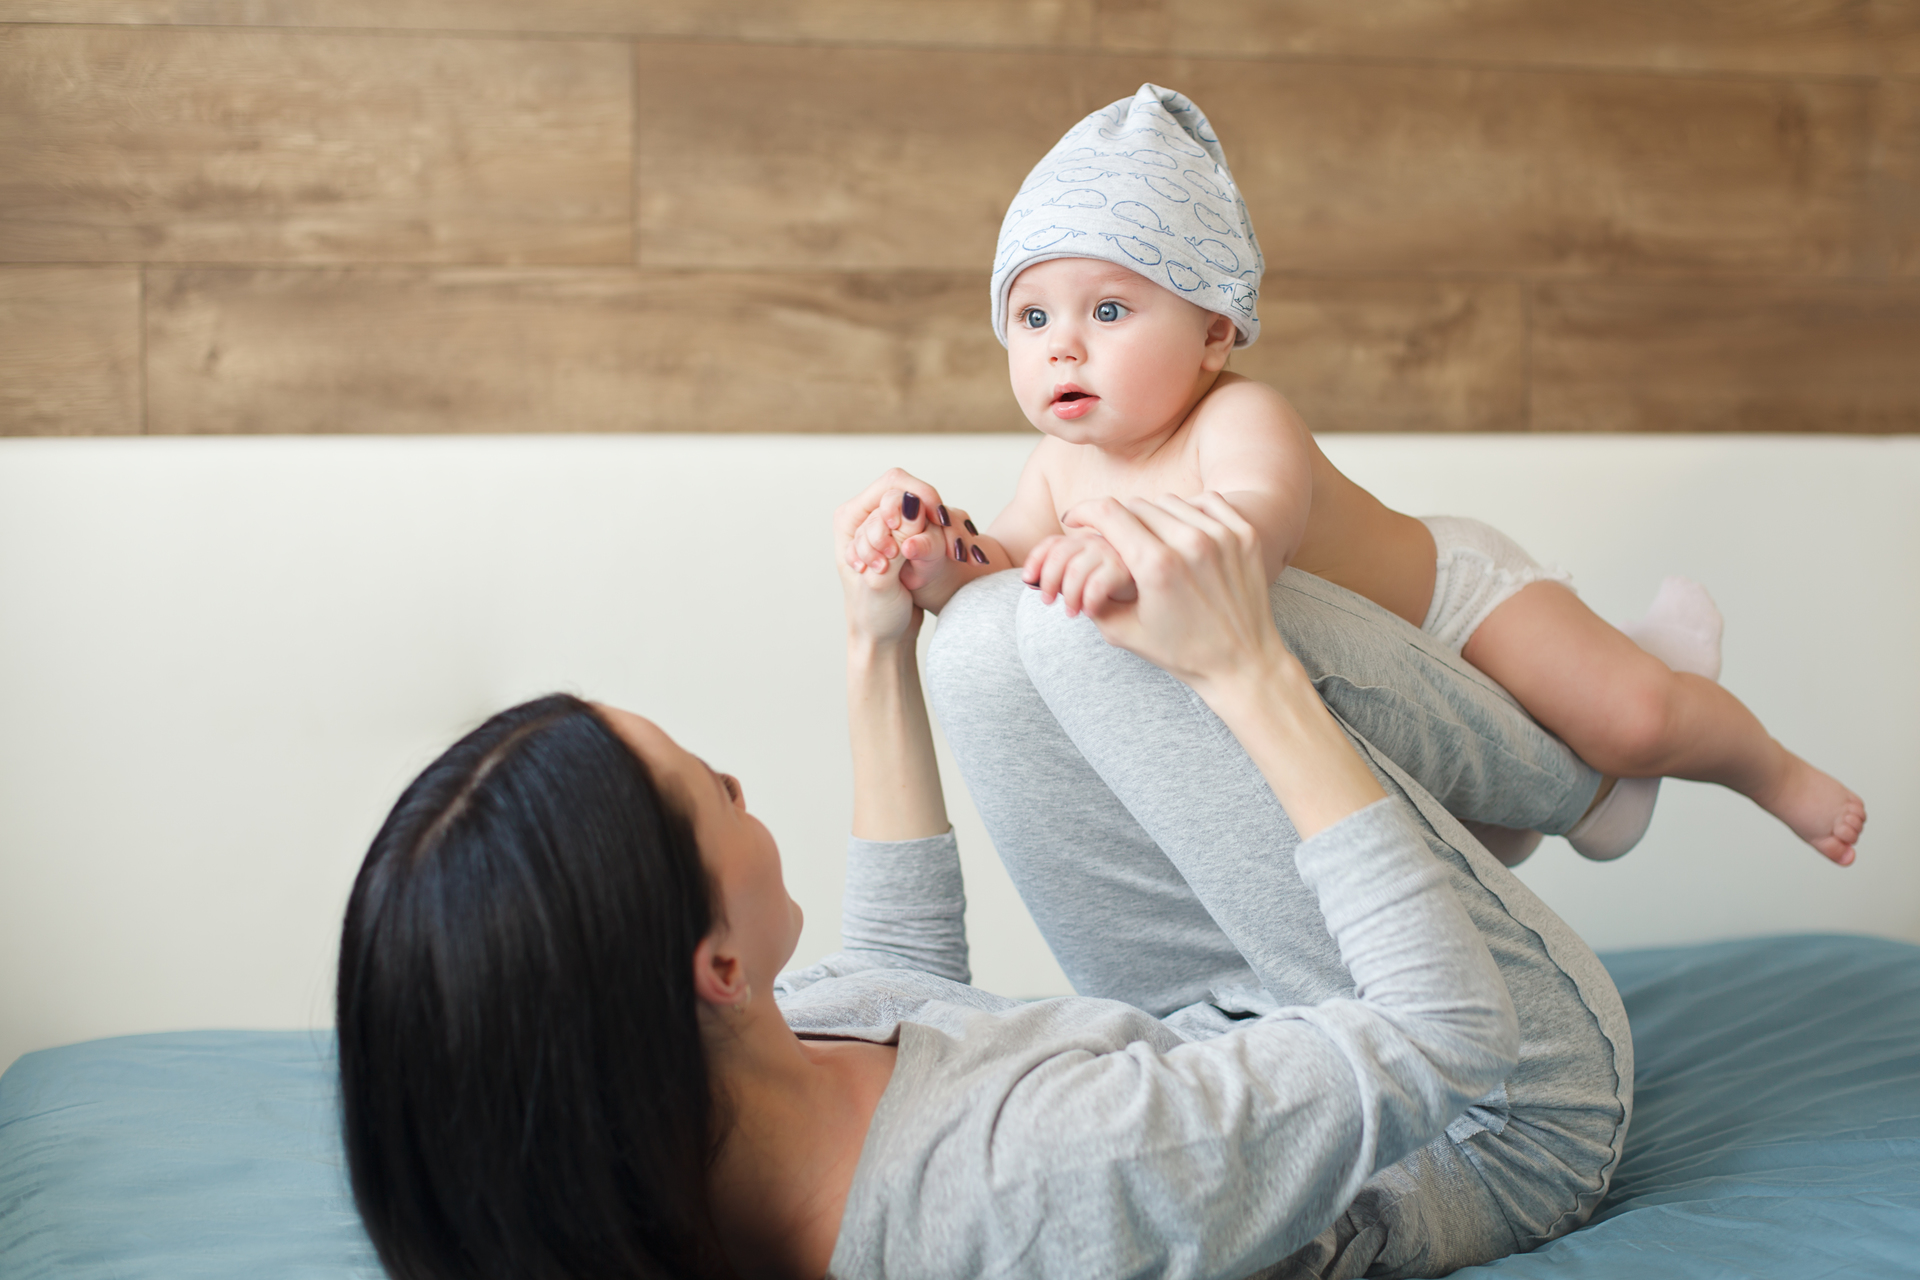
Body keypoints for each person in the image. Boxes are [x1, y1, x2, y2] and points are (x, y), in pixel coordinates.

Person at [336, 490, 1623, 1280]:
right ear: (713, 970)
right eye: (709, 790)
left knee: (994, 643)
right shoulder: (1030, 1190)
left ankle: (1477, 799)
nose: (738, 779)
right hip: (1498, 1110)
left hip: (1211, 1037)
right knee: (1122, 583)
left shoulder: (723, 1108)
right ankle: (1599, 764)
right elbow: (1447, 1039)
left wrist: (879, 644)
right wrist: (1244, 669)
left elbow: (902, 974)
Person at [844, 82, 1864, 868]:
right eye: (1032, 318)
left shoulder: (1243, 417)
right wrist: (939, 558)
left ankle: (1762, 763)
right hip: (1366, 699)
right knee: (1479, 841)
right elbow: (1017, 566)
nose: (1062, 347)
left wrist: (1117, 543)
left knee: (1634, 717)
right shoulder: (1060, 464)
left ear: (1213, 329)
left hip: (1453, 611)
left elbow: (1250, 528)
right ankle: (1604, 791)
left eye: (1107, 310)